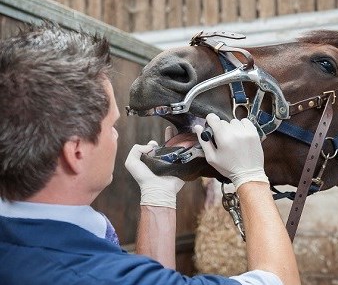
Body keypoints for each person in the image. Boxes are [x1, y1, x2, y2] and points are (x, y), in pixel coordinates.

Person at [0, 22, 300, 285]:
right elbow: (279, 280)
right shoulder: (88, 273)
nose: (115, 135)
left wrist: (158, 197)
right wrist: (250, 176)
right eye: (112, 126)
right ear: (75, 152)